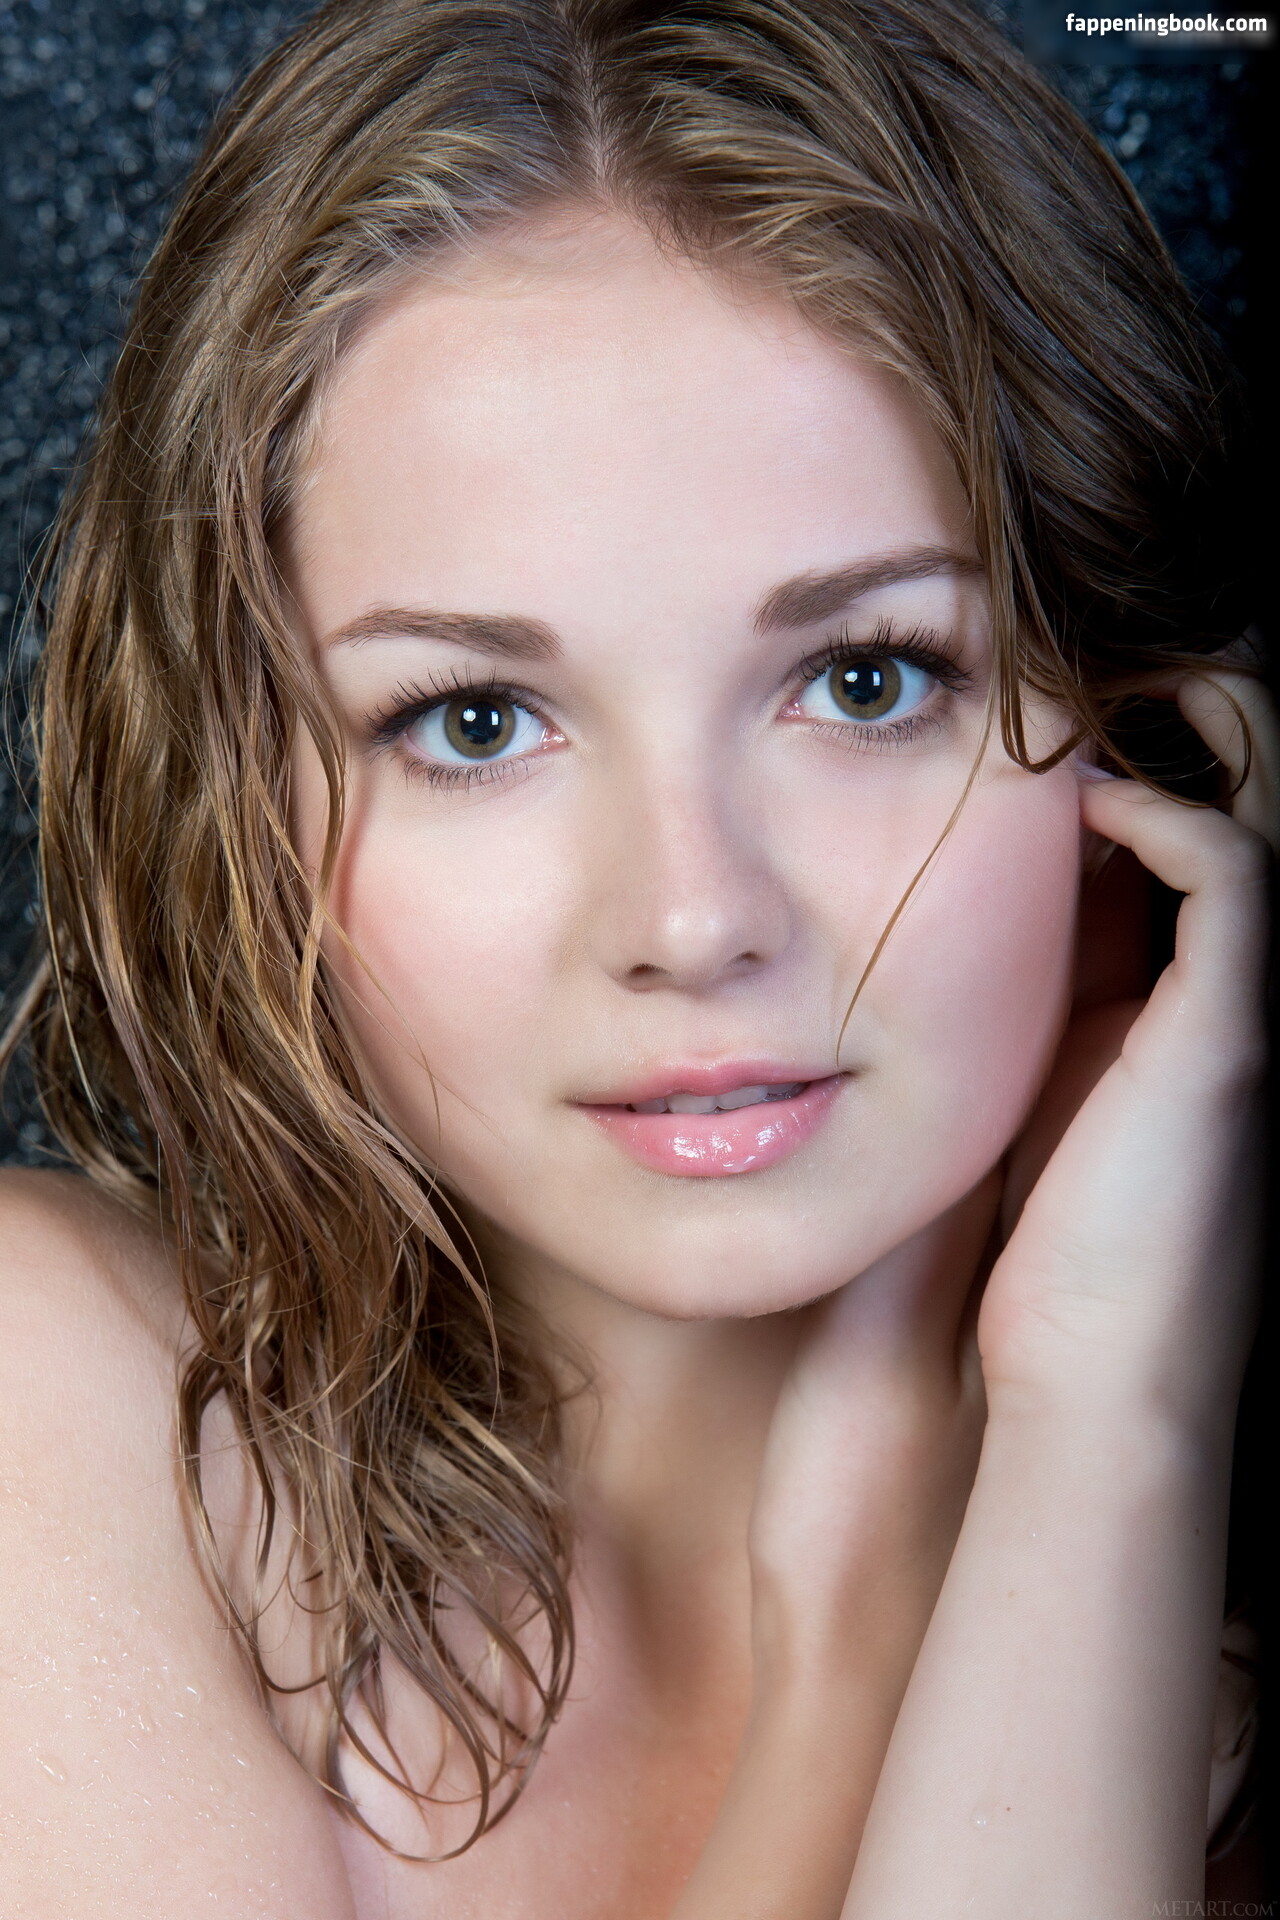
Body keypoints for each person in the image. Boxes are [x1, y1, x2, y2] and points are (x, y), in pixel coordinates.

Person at [0, 0, 1272, 1912]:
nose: (690, 920)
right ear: (239, 797)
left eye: (866, 681)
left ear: (1125, 731)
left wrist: (1099, 1421)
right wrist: (850, 1659)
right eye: (476, 721)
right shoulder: (53, 1404)